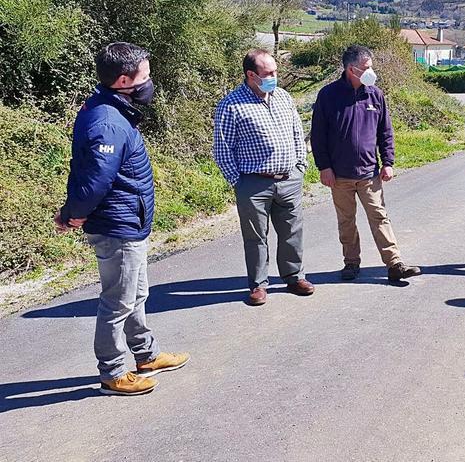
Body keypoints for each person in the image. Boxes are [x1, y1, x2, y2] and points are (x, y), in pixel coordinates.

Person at [55, 42, 189, 396]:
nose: (150, 81)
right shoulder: (107, 121)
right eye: (145, 75)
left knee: (137, 294)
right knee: (118, 301)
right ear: (125, 80)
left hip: (130, 221)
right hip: (117, 226)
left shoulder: (113, 108)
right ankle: (113, 373)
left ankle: (146, 354)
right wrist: (74, 214)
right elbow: (96, 178)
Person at [310, 45, 421, 282]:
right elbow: (317, 135)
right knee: (346, 221)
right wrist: (324, 167)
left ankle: (394, 264)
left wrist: (388, 162)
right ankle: (351, 263)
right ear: (352, 69)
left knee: (379, 217)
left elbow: (385, 132)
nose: (372, 71)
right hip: (339, 175)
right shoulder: (328, 96)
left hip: (370, 173)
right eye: (367, 67)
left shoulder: (375, 94)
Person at [214, 49, 315, 306]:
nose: (274, 77)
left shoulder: (282, 96)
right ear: (251, 75)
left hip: (289, 178)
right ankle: (258, 285)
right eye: (268, 73)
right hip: (254, 183)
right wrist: (238, 182)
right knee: (256, 236)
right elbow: (222, 148)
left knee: (293, 231)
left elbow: (296, 132)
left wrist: (300, 166)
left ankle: (294, 277)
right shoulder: (231, 105)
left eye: (275, 72)